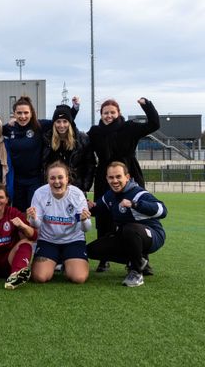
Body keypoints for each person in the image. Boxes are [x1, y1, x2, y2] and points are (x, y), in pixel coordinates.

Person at [87, 97, 160, 273]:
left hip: (130, 174)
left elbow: (154, 124)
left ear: (118, 113)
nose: (109, 115)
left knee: (135, 215)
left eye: (112, 112)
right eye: (106, 113)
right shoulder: (95, 132)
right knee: (103, 215)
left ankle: (141, 259)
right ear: (101, 114)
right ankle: (104, 259)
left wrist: (147, 105)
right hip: (105, 176)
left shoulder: (130, 127)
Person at [87, 162, 167, 287]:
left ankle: (136, 272)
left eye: (118, 177)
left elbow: (162, 210)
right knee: (91, 250)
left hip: (152, 235)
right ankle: (137, 260)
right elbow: (97, 210)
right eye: (111, 177)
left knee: (130, 229)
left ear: (127, 177)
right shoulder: (110, 195)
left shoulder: (139, 193)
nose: (115, 181)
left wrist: (135, 204)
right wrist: (89, 207)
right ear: (106, 178)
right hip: (126, 236)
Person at [27, 161, 91, 284]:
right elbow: (37, 225)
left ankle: (66, 263)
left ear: (67, 179)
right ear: (47, 180)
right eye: (52, 178)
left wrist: (83, 220)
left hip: (73, 240)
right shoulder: (40, 193)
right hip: (48, 240)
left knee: (79, 278)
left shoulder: (77, 195)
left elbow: (86, 228)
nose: (57, 182)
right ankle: (58, 261)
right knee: (39, 277)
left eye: (60, 177)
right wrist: (33, 218)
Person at [42, 101, 96, 193]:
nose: (61, 125)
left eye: (65, 121)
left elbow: (90, 165)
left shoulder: (82, 139)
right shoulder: (47, 139)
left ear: (70, 122)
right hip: (54, 187)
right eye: (58, 122)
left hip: (76, 188)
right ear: (54, 123)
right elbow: (44, 164)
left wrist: (84, 187)